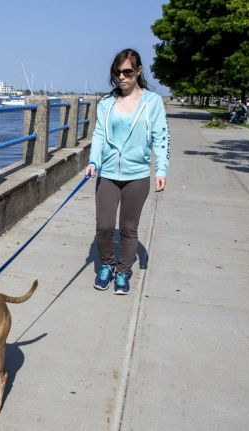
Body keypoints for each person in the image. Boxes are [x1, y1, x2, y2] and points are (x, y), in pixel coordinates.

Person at [86, 48, 170, 295]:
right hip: (109, 173)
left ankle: (123, 271)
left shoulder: (152, 102)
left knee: (128, 228)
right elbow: (99, 134)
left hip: (137, 175)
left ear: (138, 72)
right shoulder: (106, 103)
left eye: (127, 72)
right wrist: (94, 162)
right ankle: (108, 266)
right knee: (103, 225)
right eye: (117, 72)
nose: (121, 77)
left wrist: (161, 169)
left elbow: (161, 136)